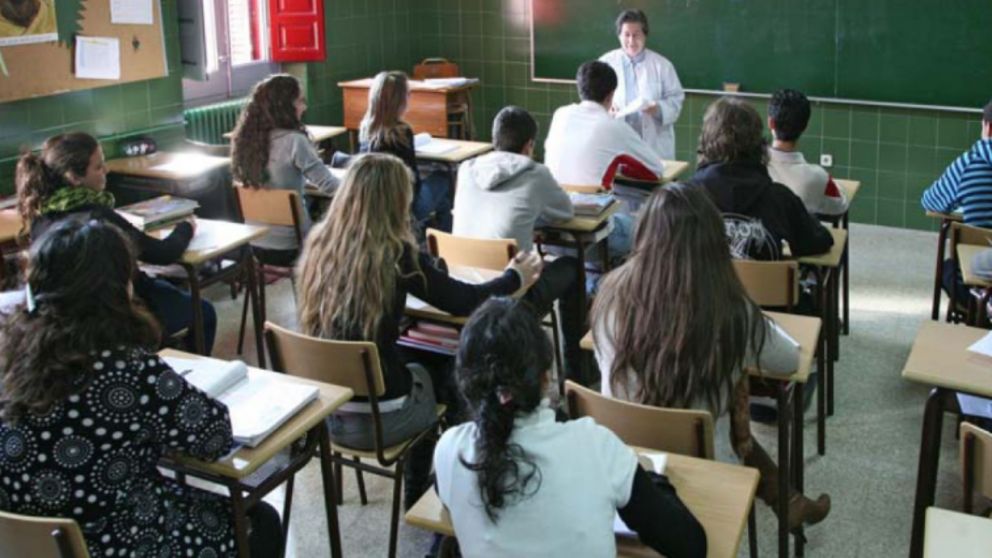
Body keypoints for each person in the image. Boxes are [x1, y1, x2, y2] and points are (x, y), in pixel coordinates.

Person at [0, 218, 283, 557]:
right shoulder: (127, 370)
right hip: (117, 541)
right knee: (259, 519)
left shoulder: (10, 357)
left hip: (32, 543)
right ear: (119, 287)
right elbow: (215, 437)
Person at [295, 153, 543, 508]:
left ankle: (429, 481)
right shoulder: (393, 254)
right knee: (454, 374)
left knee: (414, 354)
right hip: (383, 420)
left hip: (328, 412)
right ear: (395, 202)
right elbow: (463, 301)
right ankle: (430, 488)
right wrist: (514, 277)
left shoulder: (318, 245)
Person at [591, 182, 831, 530]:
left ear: (643, 234)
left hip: (622, 458)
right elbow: (789, 361)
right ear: (714, 243)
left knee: (719, 416)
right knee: (727, 418)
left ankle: (788, 500)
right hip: (705, 466)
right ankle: (788, 500)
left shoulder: (608, 294)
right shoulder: (729, 307)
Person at [434, 297, 707, 558]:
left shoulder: (449, 450)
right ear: (545, 377)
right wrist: (654, 480)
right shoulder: (596, 447)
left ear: (465, 382)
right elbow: (691, 546)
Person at [15, 132, 217, 353]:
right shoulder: (97, 216)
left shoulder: (40, 215)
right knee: (204, 313)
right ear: (74, 177)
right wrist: (186, 226)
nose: (106, 171)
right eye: (99, 167)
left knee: (165, 288)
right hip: (123, 311)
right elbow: (163, 253)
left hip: (69, 322)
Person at [452, 106, 586, 383]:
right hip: (513, 296)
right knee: (572, 265)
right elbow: (565, 213)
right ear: (529, 145)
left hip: (462, 287)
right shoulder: (537, 174)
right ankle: (578, 370)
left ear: (495, 140)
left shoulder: (467, 169)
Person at [545, 60, 664, 258]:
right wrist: (620, 168)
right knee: (654, 228)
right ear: (611, 95)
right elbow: (655, 170)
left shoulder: (560, 114)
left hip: (550, 234)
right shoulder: (612, 126)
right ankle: (605, 281)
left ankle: (591, 281)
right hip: (592, 238)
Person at [691, 97, 833, 260]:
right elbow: (817, 242)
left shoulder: (682, 199)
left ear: (706, 139)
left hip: (701, 285)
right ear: (758, 142)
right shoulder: (781, 200)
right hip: (763, 286)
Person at [230, 73, 339, 264]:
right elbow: (330, 186)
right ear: (284, 106)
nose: (304, 107)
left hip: (254, 241)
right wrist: (359, 184)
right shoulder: (294, 141)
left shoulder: (243, 140)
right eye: (300, 101)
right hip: (292, 244)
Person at [359, 70, 453, 231]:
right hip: (405, 209)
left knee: (440, 198)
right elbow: (413, 181)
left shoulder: (366, 129)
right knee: (443, 178)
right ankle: (443, 239)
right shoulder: (402, 132)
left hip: (375, 208)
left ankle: (426, 232)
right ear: (400, 101)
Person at [921, 99, 992, 305]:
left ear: (987, 127)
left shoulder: (969, 163)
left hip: (975, 282)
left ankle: (975, 315)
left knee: (948, 269)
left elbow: (930, 201)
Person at [599, 9, 684, 161]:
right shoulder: (605, 63)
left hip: (654, 148)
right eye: (626, 35)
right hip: (617, 145)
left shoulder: (662, 66)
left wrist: (658, 109)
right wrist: (605, 108)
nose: (631, 41)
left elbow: (676, 100)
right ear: (619, 36)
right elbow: (594, 100)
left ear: (645, 35)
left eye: (636, 34)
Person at [767, 89, 849, 216]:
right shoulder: (818, 177)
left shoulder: (750, 166)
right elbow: (840, 205)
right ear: (805, 126)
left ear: (770, 123)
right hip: (796, 235)